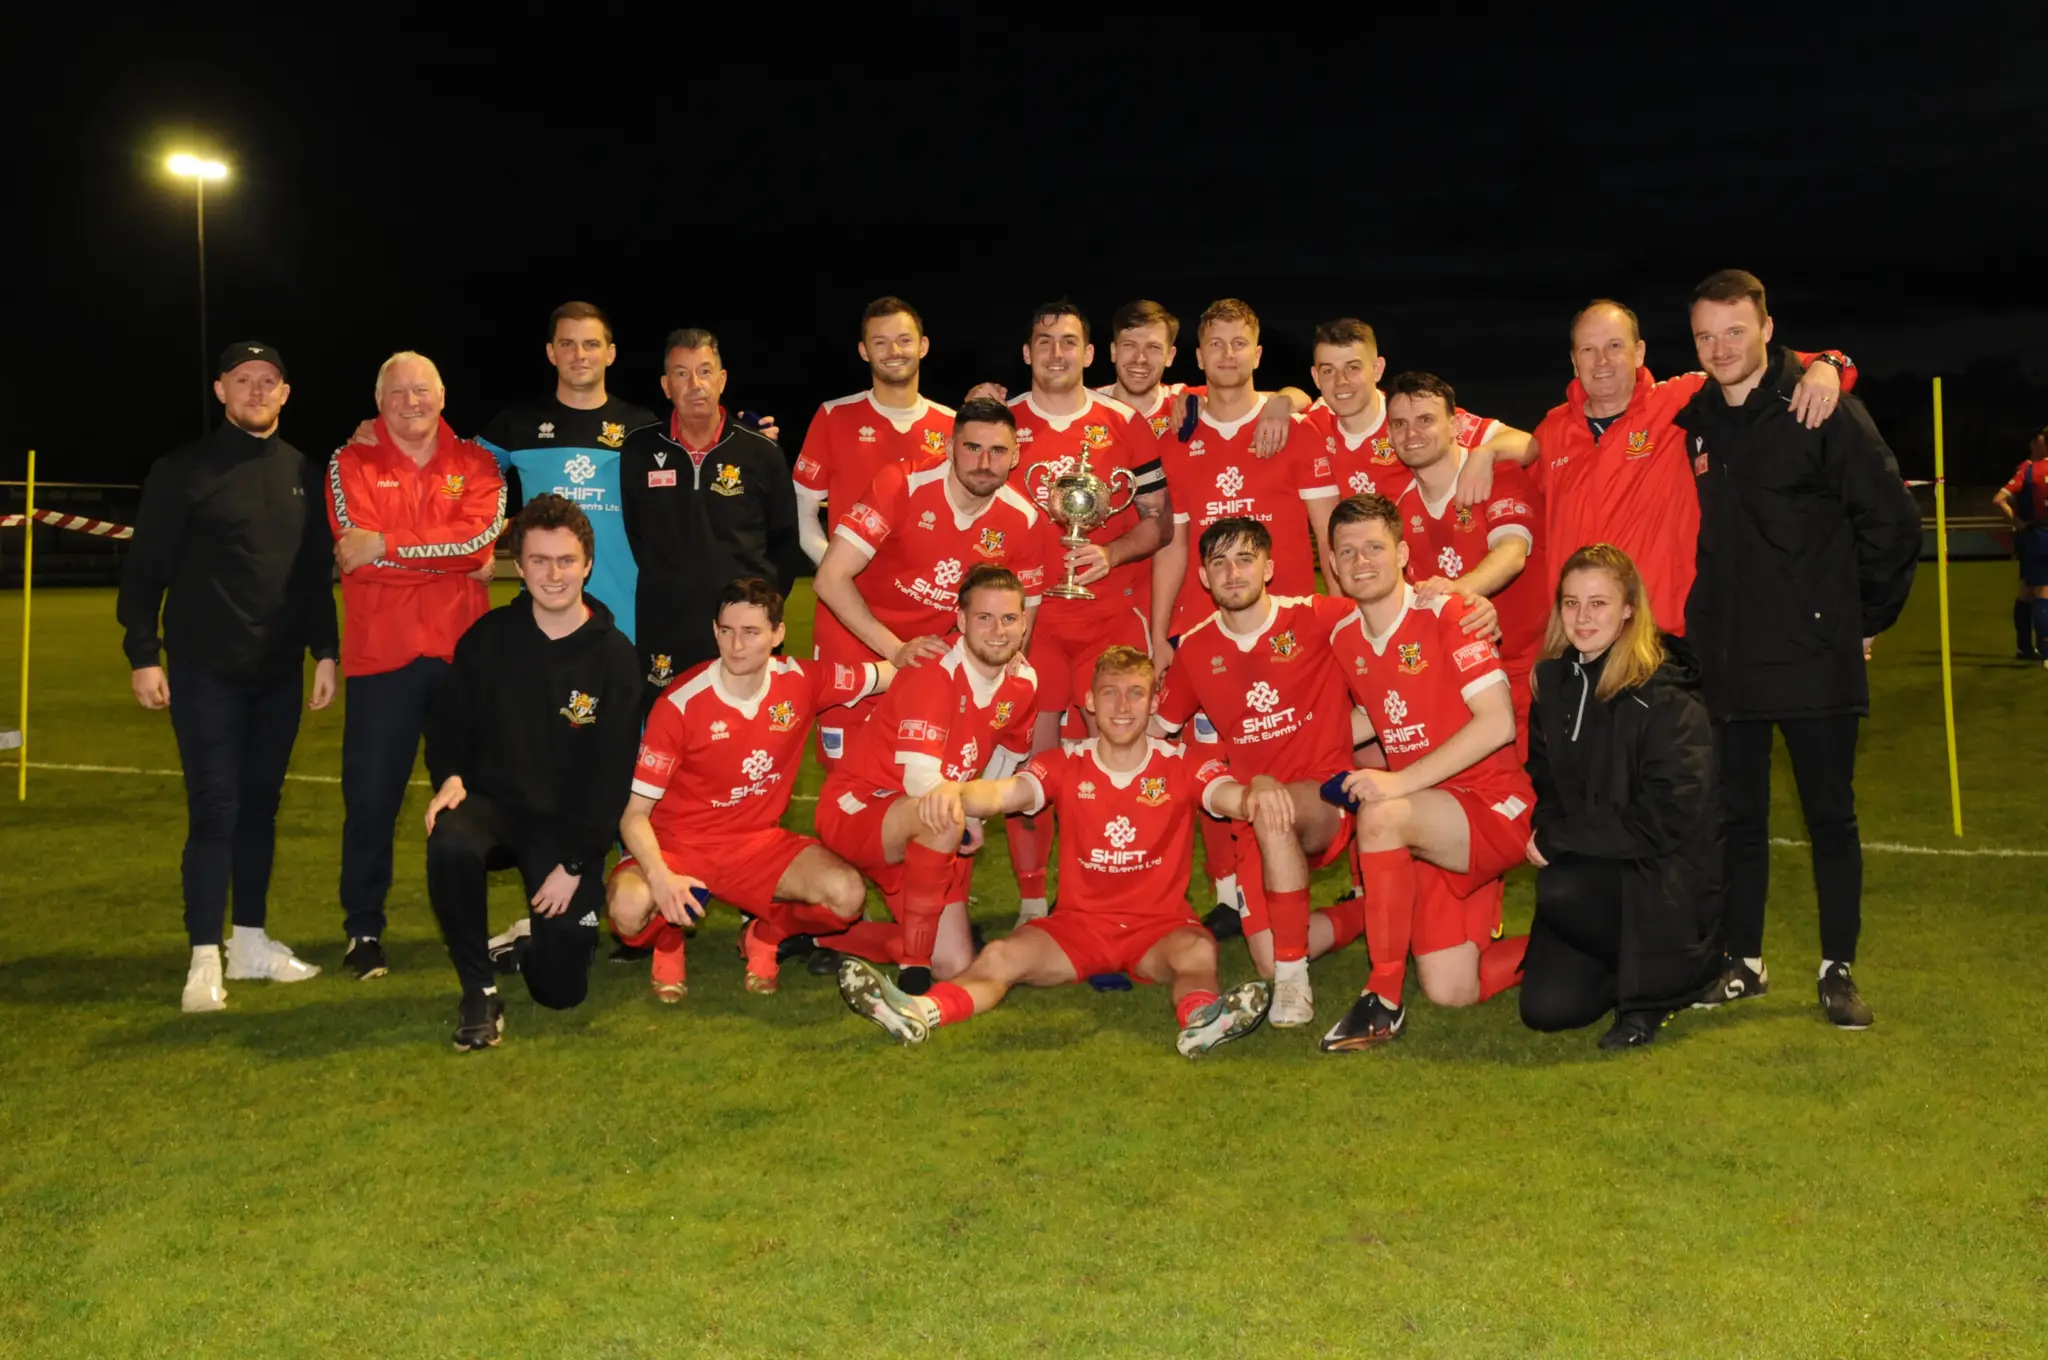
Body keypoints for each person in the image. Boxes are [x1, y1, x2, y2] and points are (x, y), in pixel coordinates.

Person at [1675, 270, 1920, 1030]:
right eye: (1707, 335)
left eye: (1735, 331)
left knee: (1830, 818)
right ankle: (1743, 964)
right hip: (1731, 659)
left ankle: (1836, 970)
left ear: (1768, 329)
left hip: (1815, 655)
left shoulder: (1823, 407)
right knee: (1739, 820)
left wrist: (1864, 618)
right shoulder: (1699, 417)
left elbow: (1891, 520)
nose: (1721, 347)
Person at [837, 646, 1272, 1057]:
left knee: (1198, 950)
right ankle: (919, 1011)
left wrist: (1258, 792)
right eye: (1110, 693)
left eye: (1135, 693)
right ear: (1090, 702)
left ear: (1155, 702)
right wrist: (955, 793)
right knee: (1000, 955)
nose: (1122, 706)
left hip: (1158, 929)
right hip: (1077, 929)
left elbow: (1228, 797)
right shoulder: (1066, 761)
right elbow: (1006, 792)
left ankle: (1201, 1021)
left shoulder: (1183, 761)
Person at [117, 342, 340, 1012]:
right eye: (244, 380)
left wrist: (325, 651)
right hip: (205, 671)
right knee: (216, 808)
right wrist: (143, 653)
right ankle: (202, 957)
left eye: (268, 381)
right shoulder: (182, 470)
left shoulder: (304, 470)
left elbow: (310, 577)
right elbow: (144, 570)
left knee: (260, 809)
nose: (256, 391)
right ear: (220, 390)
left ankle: (248, 943)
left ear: (285, 392)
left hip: (275, 675)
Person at [1457, 299, 1854, 632]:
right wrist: (1485, 451)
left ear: (1640, 352)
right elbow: (1525, 453)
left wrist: (1830, 364)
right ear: (1573, 360)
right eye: (1588, 350)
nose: (1602, 362)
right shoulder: (1555, 427)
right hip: (1578, 641)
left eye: (1615, 346)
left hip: (1664, 641)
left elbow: (1761, 369)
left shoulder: (1683, 401)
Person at [420, 495, 641, 1051]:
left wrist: (574, 862)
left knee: (562, 992)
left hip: (566, 830)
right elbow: (447, 725)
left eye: (565, 560)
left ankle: (528, 946)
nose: (554, 574)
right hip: (495, 808)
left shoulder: (613, 656)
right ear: (517, 566)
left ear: (587, 563)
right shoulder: (489, 638)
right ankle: (478, 990)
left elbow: (613, 777)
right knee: (449, 839)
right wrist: (448, 776)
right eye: (539, 561)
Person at [1317, 494, 1534, 1052]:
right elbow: (1378, 712)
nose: (1361, 561)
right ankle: (1592, 939)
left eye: (1374, 547)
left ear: (1403, 553)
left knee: (1382, 813)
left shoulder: (1450, 611)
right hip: (1432, 817)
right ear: (1333, 566)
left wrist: (1397, 782)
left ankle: (1382, 999)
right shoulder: (1346, 637)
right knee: (1453, 989)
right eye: (1348, 552)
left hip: (1492, 804)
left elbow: (1498, 724)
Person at [607, 578, 890, 999]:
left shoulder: (802, 681)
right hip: (677, 845)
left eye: (751, 632)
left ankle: (765, 934)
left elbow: (890, 672)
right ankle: (667, 940)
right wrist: (661, 876)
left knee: (845, 896)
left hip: (756, 845)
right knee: (627, 911)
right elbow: (633, 816)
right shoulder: (680, 704)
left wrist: (964, 654)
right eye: (727, 631)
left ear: (778, 634)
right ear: (715, 630)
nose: (736, 645)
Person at [326, 351, 507, 982]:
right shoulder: (350, 461)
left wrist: (391, 544)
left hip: (464, 659)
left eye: (422, 390)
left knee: (471, 801)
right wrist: (444, 554)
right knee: (370, 801)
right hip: (384, 660)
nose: (411, 401)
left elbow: (477, 542)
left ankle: (467, 927)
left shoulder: (479, 462)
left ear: (443, 394)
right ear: (379, 401)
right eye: (397, 391)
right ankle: (363, 931)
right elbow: (357, 556)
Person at [1153, 518, 1372, 1028]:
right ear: (1204, 578)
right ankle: (1367, 912)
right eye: (1219, 563)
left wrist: (1458, 598)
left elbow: (1393, 616)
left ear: (1269, 568)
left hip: (1326, 797)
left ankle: (1294, 987)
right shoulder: (1196, 649)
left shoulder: (1320, 616)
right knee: (1269, 956)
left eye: (1245, 559)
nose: (1233, 573)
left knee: (1273, 807)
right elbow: (1159, 734)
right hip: (1252, 813)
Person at [995, 301, 1173, 921]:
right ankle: (1033, 902)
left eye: (1069, 342)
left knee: (1119, 763)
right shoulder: (1001, 421)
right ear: (1026, 352)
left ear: (1088, 354)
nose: (1056, 353)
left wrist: (1111, 551)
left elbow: (1161, 524)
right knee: (1033, 766)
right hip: (1033, 629)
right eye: (1043, 341)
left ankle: (1116, 895)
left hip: (1109, 621)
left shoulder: (1124, 423)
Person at [1522, 545, 1721, 1049]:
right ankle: (1628, 966)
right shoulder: (1553, 683)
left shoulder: (1665, 691)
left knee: (1560, 890)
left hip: (1661, 873)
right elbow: (1544, 780)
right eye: (1571, 603)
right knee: (1547, 1011)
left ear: (1629, 607)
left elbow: (1666, 818)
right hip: (1596, 862)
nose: (1582, 618)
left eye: (1598, 603)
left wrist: (1560, 839)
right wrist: (1554, 831)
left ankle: (1669, 981)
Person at [812, 564, 1039, 993]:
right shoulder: (934, 670)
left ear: (1024, 622)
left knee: (953, 964)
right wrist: (963, 813)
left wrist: (977, 813)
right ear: (960, 620)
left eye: (1009, 618)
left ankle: (826, 936)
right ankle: (913, 968)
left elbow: (1010, 751)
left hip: (929, 820)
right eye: (984, 618)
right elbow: (922, 780)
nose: (997, 631)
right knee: (941, 814)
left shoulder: (1024, 681)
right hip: (861, 806)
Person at [809, 397, 1044, 767]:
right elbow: (830, 579)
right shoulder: (902, 483)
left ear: (1015, 457)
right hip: (857, 641)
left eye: (998, 451)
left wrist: (1009, 663)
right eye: (972, 448)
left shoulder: (1023, 518)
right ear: (950, 448)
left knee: (920, 780)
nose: (985, 463)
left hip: (931, 656)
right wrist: (895, 650)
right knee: (848, 777)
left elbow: (1027, 604)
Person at [618, 328, 804, 703]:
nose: (695, 384)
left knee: (747, 741)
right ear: (665, 385)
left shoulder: (761, 452)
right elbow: (637, 534)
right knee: (667, 742)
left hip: (744, 631)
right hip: (666, 629)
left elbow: (785, 541)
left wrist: (756, 608)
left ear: (722, 380)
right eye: (681, 373)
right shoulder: (639, 449)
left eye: (705, 371)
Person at [472, 301, 658, 640]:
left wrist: (746, 442)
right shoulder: (518, 424)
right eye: (567, 344)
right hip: (544, 616)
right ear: (551, 352)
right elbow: (456, 474)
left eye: (591, 344)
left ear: (610, 353)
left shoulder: (642, 428)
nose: (579, 354)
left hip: (627, 618)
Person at [1385, 372, 1546, 753]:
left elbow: (1511, 554)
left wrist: (1459, 590)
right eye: (1400, 424)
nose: (1412, 434)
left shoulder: (1496, 473)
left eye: (1425, 420)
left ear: (1455, 424)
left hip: (1536, 668)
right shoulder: (1399, 511)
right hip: (1464, 680)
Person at [792, 297, 956, 566]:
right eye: (880, 342)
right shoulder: (833, 416)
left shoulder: (952, 423)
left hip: (923, 599)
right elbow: (802, 507)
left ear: (923, 346)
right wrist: (835, 571)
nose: (894, 351)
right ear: (864, 350)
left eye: (904, 340)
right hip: (845, 598)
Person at [1301, 318, 1527, 507]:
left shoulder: (1411, 416)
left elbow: (1527, 443)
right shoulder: (1313, 424)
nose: (1341, 381)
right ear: (1315, 377)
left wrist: (1484, 454)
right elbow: (1276, 401)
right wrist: (1282, 400)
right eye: (1329, 370)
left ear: (1377, 369)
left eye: (1353, 367)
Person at [1991, 426, 2048, 663]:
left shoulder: (2029, 470)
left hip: (2032, 535)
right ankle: (2045, 652)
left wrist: (2017, 521)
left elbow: (2000, 499)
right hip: (2039, 534)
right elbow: (1999, 500)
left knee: (2027, 591)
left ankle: (2024, 648)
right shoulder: (2028, 468)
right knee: (2043, 590)